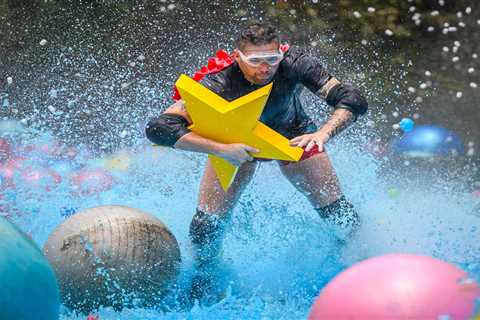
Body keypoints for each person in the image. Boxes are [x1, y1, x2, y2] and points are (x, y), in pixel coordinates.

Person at [145, 22, 368, 303]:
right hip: (235, 147)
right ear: (237, 57)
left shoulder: (296, 63)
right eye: (255, 61)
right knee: (205, 227)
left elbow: (353, 99)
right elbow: (159, 128)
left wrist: (322, 134)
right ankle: (205, 277)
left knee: (339, 213)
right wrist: (221, 149)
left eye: (272, 60)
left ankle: (361, 262)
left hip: (293, 138)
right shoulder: (217, 82)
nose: (265, 68)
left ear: (280, 54)